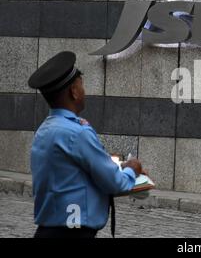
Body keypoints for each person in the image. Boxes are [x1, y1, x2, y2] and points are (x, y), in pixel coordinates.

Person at [28, 51, 144, 238]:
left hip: (48, 230)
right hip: (73, 233)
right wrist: (132, 169)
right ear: (73, 92)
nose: (84, 91)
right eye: (81, 85)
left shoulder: (45, 129)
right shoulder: (77, 133)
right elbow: (115, 183)